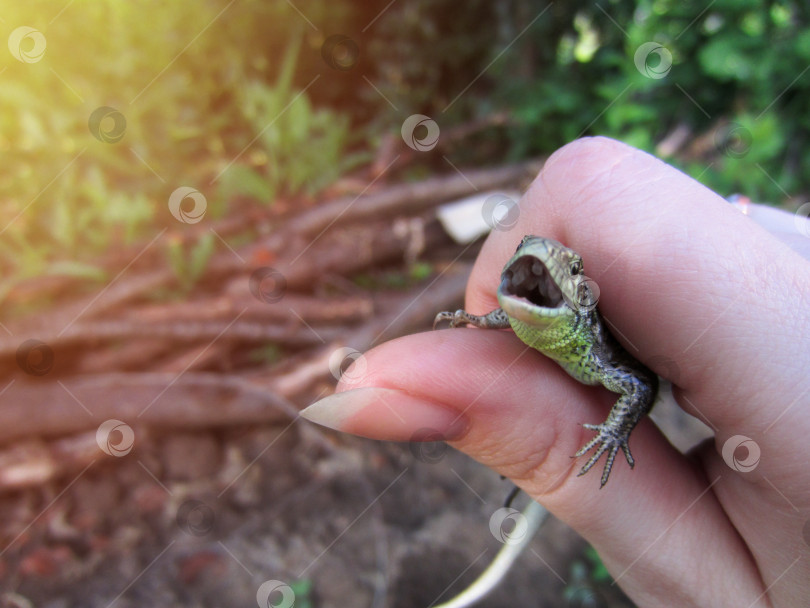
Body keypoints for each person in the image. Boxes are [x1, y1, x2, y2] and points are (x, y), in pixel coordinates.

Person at [301, 137, 810, 607]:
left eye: (565, 269)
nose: (532, 256)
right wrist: (479, 321)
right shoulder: (527, 316)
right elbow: (516, 314)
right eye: (521, 255)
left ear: (582, 298)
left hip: (606, 382)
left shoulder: (594, 349)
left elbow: (640, 383)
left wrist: (613, 433)